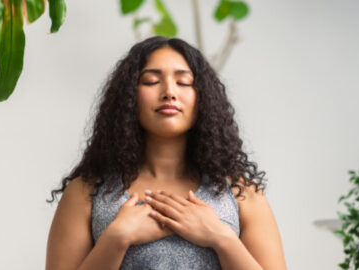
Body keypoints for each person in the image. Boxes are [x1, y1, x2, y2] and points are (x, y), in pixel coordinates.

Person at [45, 36, 287, 270]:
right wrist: (117, 238)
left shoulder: (242, 194)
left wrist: (221, 238)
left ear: (203, 97)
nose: (169, 92)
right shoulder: (85, 192)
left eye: (184, 82)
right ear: (128, 97)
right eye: (151, 81)